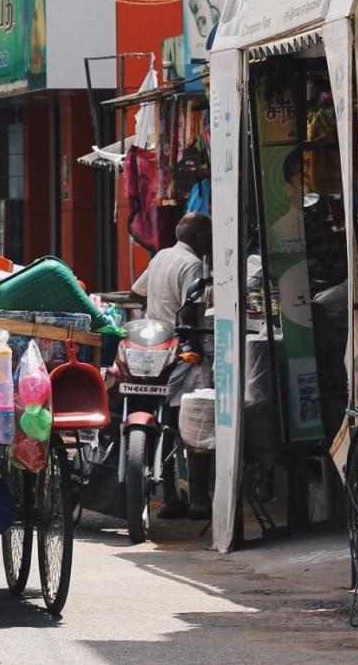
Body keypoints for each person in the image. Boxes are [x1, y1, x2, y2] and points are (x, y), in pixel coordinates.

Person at [130, 211, 211, 520]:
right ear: (195, 238)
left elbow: (134, 292)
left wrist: (157, 313)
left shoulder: (162, 255)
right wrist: (198, 348)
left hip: (155, 349)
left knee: (167, 422)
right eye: (208, 235)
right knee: (195, 423)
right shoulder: (191, 264)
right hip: (182, 351)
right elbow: (190, 311)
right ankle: (200, 499)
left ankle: (171, 499)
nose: (211, 241)